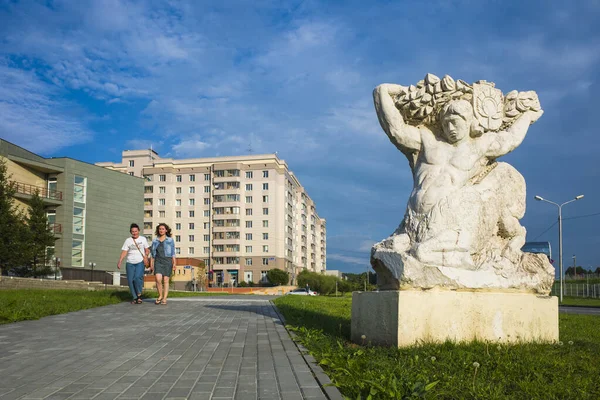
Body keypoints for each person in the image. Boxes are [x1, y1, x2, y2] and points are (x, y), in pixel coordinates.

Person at [373, 84, 543, 268]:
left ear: (469, 121)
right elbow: (397, 130)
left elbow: (509, 139)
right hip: (415, 218)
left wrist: (527, 115)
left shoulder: (477, 147)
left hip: (449, 219)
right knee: (389, 248)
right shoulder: (428, 140)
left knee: (421, 253)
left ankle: (464, 260)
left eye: (456, 122)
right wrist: (382, 93)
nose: (451, 127)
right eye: (446, 122)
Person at [117, 223, 149, 304]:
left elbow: (147, 249)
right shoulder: (128, 240)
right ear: (130, 232)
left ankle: (139, 294)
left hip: (140, 262)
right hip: (130, 262)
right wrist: (120, 261)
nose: (134, 233)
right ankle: (135, 297)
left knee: (137, 277)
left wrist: (146, 256)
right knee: (130, 280)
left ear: (139, 231)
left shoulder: (143, 239)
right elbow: (124, 251)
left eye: (136, 231)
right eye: (132, 231)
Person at [150, 223, 176, 305]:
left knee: (165, 280)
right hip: (158, 260)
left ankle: (164, 298)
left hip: (167, 260)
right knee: (158, 279)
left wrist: (174, 263)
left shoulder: (170, 240)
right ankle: (160, 295)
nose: (161, 230)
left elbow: (173, 253)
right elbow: (152, 253)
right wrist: (151, 264)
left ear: (166, 230)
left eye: (163, 229)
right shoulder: (155, 240)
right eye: (160, 229)